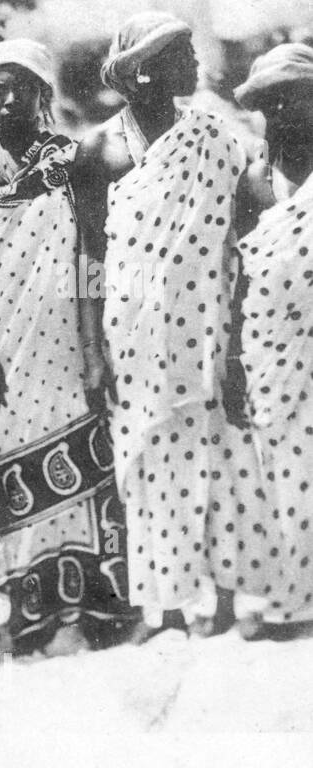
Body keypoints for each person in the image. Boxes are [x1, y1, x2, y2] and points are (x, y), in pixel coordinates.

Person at [71, 14, 272, 637]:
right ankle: (170, 608)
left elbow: (247, 237)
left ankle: (226, 602)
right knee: (151, 464)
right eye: (183, 53)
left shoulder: (217, 136)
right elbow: (89, 257)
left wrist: (240, 341)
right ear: (145, 69)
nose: (196, 64)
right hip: (132, 336)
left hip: (210, 325)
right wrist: (93, 354)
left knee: (221, 455)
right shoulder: (99, 150)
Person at [0, 40, 135, 653]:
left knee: (86, 460)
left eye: (16, 85)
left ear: (40, 91)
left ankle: (96, 605)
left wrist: (93, 349)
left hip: (62, 336)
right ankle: (34, 608)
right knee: (9, 464)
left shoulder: (79, 159)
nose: (4, 97)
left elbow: (91, 255)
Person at [227, 44, 313, 636]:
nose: (282, 110)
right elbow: (240, 273)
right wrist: (234, 358)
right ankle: (294, 596)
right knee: (284, 470)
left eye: (295, 96)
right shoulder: (255, 182)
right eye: (269, 102)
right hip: (269, 341)